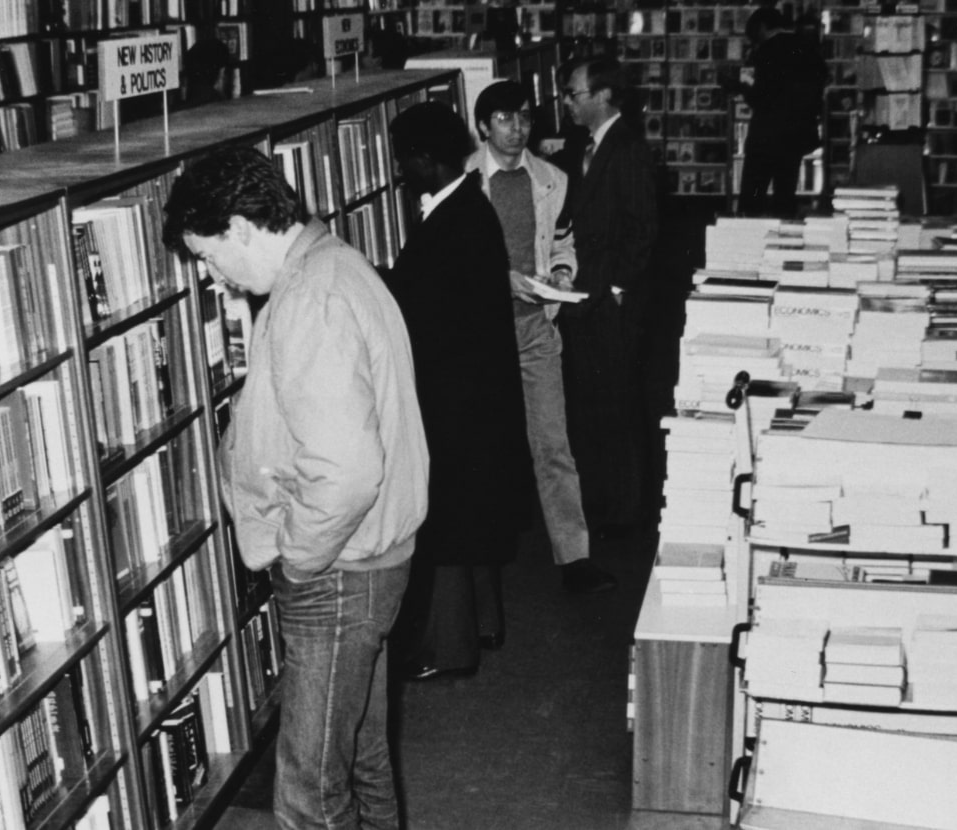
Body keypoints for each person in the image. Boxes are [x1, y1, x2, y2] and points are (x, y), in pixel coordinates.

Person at [163, 145, 428, 829]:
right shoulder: (333, 266)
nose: (213, 277)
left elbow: (345, 471)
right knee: (361, 760)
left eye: (209, 255)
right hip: (368, 563)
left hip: (337, 572)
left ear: (242, 227)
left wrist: (300, 555)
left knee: (308, 792)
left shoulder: (312, 297)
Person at [379, 102, 533, 682]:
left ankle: (450, 649)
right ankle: (485, 624)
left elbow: (426, 310)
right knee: (474, 516)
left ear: (423, 159)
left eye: (403, 160)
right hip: (478, 393)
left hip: (453, 400)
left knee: (445, 520)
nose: (399, 172)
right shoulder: (468, 207)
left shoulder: (452, 221)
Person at [465, 81, 617, 595]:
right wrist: (496, 278)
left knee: (553, 445)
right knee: (481, 446)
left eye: (525, 118)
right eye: (505, 119)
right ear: (483, 125)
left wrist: (562, 274)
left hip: (534, 329)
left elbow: (564, 240)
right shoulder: (462, 179)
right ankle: (477, 572)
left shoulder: (552, 179)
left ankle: (575, 557)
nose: (517, 128)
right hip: (480, 334)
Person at [556, 55, 661, 533]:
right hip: (589, 296)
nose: (566, 102)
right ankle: (607, 502)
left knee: (618, 404)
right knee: (596, 403)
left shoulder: (628, 149)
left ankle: (629, 510)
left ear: (602, 96)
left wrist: (617, 288)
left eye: (573, 94)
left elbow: (643, 231)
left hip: (612, 300)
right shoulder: (592, 144)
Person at [722, 7, 829, 218]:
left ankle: (748, 239)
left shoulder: (768, 50)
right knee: (785, 194)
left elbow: (762, 97)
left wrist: (741, 87)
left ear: (762, 27)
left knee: (753, 194)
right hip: (796, 134)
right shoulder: (805, 46)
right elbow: (821, 78)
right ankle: (785, 242)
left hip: (768, 135)